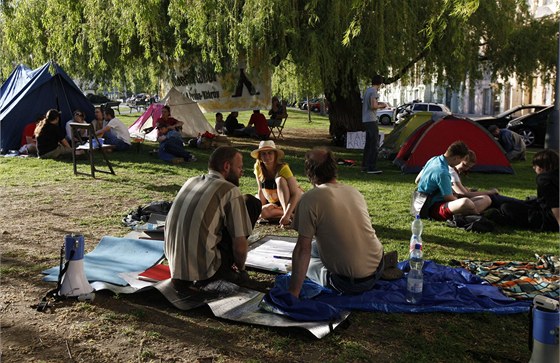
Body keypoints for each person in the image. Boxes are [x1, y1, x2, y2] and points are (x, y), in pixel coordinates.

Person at [288, 147, 385, 296]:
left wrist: (293, 293)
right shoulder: (353, 191)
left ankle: (317, 272)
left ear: (309, 172)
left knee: (305, 262)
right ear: (334, 167)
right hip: (378, 265)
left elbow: (302, 249)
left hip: (349, 283)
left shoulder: (310, 198)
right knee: (316, 247)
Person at [164, 147, 262, 291]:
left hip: (175, 267)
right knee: (252, 203)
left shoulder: (191, 181)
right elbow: (239, 244)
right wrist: (241, 271)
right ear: (227, 167)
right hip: (205, 272)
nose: (242, 172)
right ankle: (224, 273)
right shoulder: (229, 190)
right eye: (240, 167)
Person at [415, 141, 491, 220]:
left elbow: (417, 180)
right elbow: (449, 198)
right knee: (466, 202)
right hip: (432, 207)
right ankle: (475, 215)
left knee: (486, 199)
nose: (459, 163)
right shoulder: (442, 172)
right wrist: (460, 199)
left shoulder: (434, 159)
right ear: (456, 158)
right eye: (461, 160)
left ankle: (468, 214)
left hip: (421, 201)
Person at [492, 149, 559, 231]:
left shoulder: (544, 179)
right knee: (526, 202)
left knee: (506, 207)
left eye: (535, 165)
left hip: (547, 219)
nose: (534, 168)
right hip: (543, 211)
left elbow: (555, 203)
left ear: (542, 167)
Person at [251, 140, 303, 226]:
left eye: (270, 153)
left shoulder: (283, 168)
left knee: (280, 180)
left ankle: (287, 215)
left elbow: (296, 193)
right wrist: (261, 210)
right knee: (262, 212)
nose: (267, 156)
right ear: (260, 156)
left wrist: (287, 213)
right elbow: (260, 189)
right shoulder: (258, 167)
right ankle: (292, 216)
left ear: (275, 155)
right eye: (263, 154)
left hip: (293, 202)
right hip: (275, 203)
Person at [361, 75, 387, 174]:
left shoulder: (368, 91)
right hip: (371, 120)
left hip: (366, 119)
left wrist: (378, 103)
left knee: (368, 143)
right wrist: (382, 105)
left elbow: (370, 103)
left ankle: (364, 165)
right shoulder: (374, 92)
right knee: (374, 143)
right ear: (380, 84)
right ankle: (371, 166)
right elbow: (373, 106)